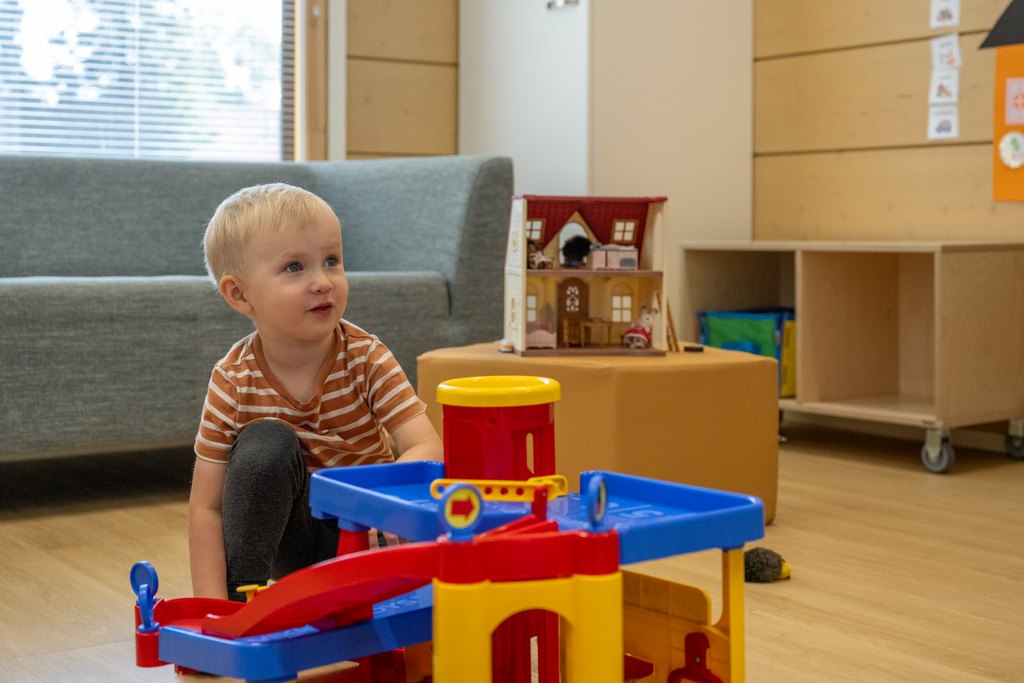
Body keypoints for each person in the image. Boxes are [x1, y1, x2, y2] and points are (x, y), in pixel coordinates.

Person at [189, 183, 442, 601]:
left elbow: (427, 446)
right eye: (294, 267)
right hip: (292, 539)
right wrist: (212, 611)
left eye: (331, 261)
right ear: (239, 294)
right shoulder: (232, 380)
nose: (323, 282)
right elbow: (207, 507)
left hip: (366, 535)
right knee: (266, 441)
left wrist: (378, 507)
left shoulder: (365, 356)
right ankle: (242, 602)